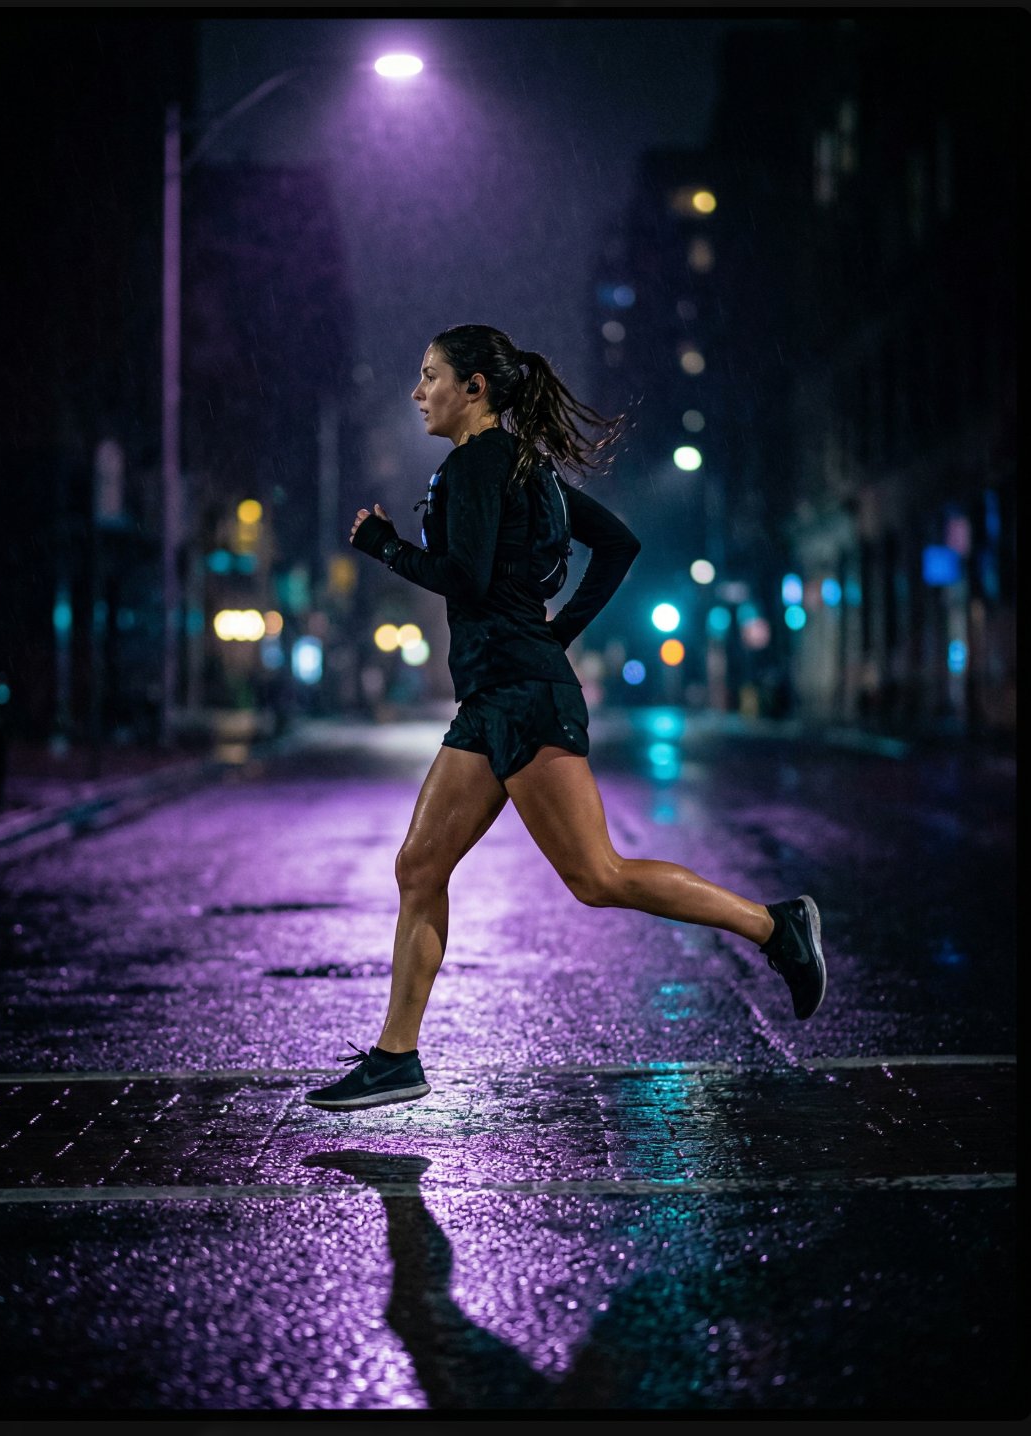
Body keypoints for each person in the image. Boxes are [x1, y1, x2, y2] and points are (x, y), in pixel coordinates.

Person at [304, 324, 826, 1111]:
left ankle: (775, 927)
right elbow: (617, 543)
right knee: (419, 866)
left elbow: (467, 578)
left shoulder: (479, 464)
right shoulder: (526, 469)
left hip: (522, 696)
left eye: (431, 376)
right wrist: (558, 632)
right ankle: (395, 1058)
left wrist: (383, 545)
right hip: (497, 695)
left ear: (475, 387)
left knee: (597, 876)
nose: (419, 392)